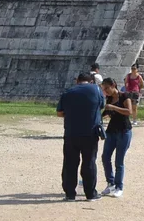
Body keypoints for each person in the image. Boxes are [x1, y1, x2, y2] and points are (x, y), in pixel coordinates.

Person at [56, 73, 105, 202]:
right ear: (91, 81)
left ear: (77, 81)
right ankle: (90, 194)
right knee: (89, 162)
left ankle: (70, 194)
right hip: (90, 133)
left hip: (71, 133)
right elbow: (101, 105)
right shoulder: (96, 89)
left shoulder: (68, 92)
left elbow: (59, 113)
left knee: (70, 163)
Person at [100, 78, 134, 198]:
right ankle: (110, 183)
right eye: (104, 89)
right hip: (111, 131)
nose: (105, 91)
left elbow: (129, 111)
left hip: (124, 131)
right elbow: (106, 112)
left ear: (113, 85)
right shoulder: (109, 99)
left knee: (119, 161)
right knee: (105, 157)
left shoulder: (124, 96)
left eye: (107, 88)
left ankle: (119, 187)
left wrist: (113, 108)